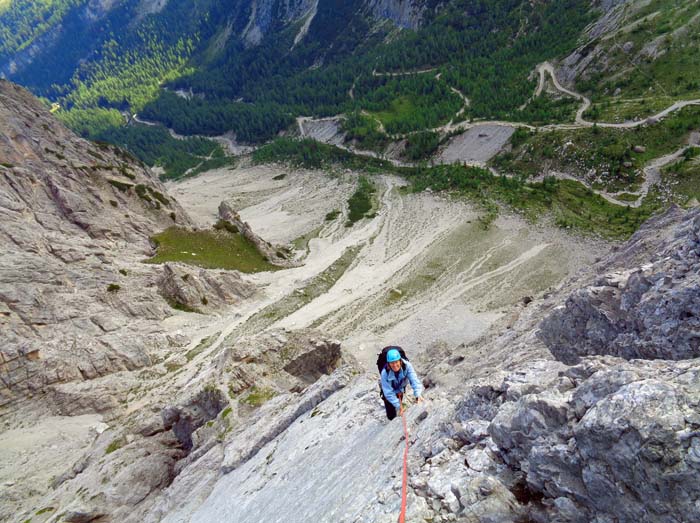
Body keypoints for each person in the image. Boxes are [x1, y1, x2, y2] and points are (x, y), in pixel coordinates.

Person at [379, 348, 424, 420]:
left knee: (400, 404)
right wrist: (399, 405)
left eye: (396, 362)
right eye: (392, 363)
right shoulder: (385, 373)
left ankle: (398, 413)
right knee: (390, 415)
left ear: (400, 361)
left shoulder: (407, 366)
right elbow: (388, 392)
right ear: (388, 363)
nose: (394, 365)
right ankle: (392, 419)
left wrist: (418, 394)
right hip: (389, 390)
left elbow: (414, 380)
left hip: (400, 388)